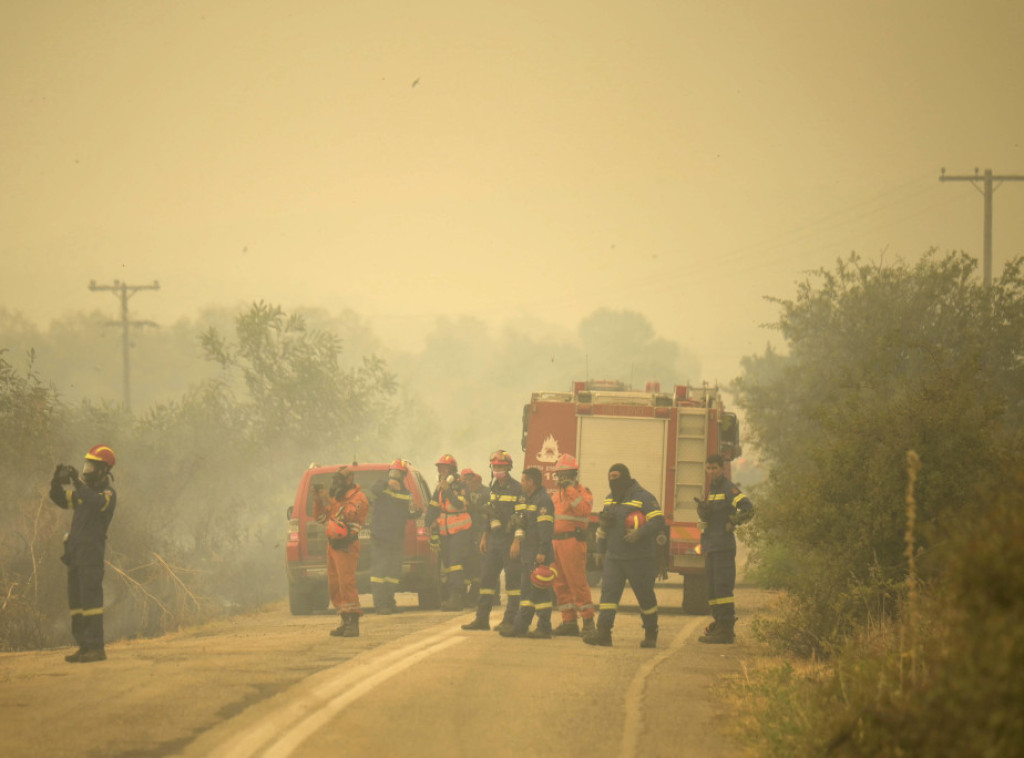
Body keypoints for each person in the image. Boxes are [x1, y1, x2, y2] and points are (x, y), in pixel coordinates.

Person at [48, 445, 117, 663]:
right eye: (85, 466)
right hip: (75, 556)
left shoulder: (106, 495)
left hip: (91, 558)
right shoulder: (82, 494)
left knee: (91, 604)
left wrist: (77, 482)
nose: (86, 471)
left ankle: (96, 648)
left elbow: (94, 501)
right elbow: (60, 498)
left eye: (91, 467)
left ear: (104, 470)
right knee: (77, 605)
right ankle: (84, 647)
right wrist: (56, 480)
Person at [583, 463, 664, 648]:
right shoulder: (610, 499)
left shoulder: (644, 497)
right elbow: (604, 527)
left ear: (626, 477)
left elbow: (658, 520)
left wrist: (639, 533)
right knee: (608, 596)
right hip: (614, 557)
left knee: (645, 597)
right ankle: (603, 633)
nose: (613, 481)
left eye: (616, 477)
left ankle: (651, 633)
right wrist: (600, 550)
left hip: (639, 558)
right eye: (610, 477)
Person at [461, 450, 523, 632]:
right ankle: (482, 619)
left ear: (509, 467)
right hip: (494, 541)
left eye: (501, 467)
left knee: (512, 583)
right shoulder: (494, 487)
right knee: (486, 580)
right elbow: (490, 515)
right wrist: (484, 536)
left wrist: (517, 542)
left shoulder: (517, 489)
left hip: (509, 541)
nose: (498, 470)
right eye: (495, 467)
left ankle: (510, 620)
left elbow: (520, 517)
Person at [697, 453, 754, 644]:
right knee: (712, 590)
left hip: (723, 547)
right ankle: (718, 624)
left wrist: (733, 522)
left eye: (715, 468)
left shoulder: (729, 489)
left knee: (722, 588)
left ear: (722, 468)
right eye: (709, 468)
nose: (711, 471)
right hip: (711, 546)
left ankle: (726, 630)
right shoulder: (711, 491)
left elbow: (748, 508)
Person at [313, 466, 369, 637]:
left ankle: (354, 621)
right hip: (333, 545)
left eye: (339, 480)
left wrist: (329, 499)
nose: (335, 484)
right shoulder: (338, 498)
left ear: (349, 480)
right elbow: (321, 518)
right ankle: (344, 619)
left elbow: (346, 516)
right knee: (335, 584)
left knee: (346, 583)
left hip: (347, 546)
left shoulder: (358, 498)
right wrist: (318, 501)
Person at [500, 467, 556, 638]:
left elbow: (545, 529)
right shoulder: (529, 500)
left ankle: (544, 627)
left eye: (524, 480)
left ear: (531, 482)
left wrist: (542, 551)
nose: (522, 483)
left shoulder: (543, 501)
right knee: (526, 591)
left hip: (537, 553)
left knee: (540, 592)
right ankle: (521, 626)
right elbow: (524, 523)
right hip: (528, 552)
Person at [549, 454, 596, 637]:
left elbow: (584, 510)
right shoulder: (555, 496)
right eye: (559, 475)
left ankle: (588, 621)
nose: (561, 479)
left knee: (577, 582)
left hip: (572, 542)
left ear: (573, 474)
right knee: (559, 583)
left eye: (565, 474)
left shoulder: (583, 492)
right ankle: (569, 621)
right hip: (555, 542)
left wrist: (569, 489)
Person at [369, 459, 420, 615]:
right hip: (381, 537)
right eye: (392, 472)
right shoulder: (381, 486)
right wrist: (387, 485)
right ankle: (380, 604)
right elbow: (374, 489)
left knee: (393, 572)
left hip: (396, 538)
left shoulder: (406, 494)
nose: (395, 476)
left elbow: (407, 513)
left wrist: (416, 512)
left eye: (398, 473)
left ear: (403, 475)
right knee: (380, 572)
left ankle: (390, 601)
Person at [425, 454, 472, 611]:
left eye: (444, 468)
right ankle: (452, 595)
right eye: (439, 468)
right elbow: (433, 505)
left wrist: (448, 490)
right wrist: (428, 523)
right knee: (447, 564)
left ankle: (457, 596)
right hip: (445, 532)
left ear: (452, 470)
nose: (441, 470)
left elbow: (459, 504)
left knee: (455, 563)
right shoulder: (440, 487)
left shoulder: (461, 485)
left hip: (460, 531)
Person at [461, 467, 490, 604]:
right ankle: (470, 593)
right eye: (466, 479)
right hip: (465, 533)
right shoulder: (460, 491)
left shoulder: (485, 493)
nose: (469, 482)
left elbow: (481, 513)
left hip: (479, 532)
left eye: (470, 479)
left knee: (480, 562)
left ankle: (477, 593)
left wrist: (482, 532)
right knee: (470, 562)